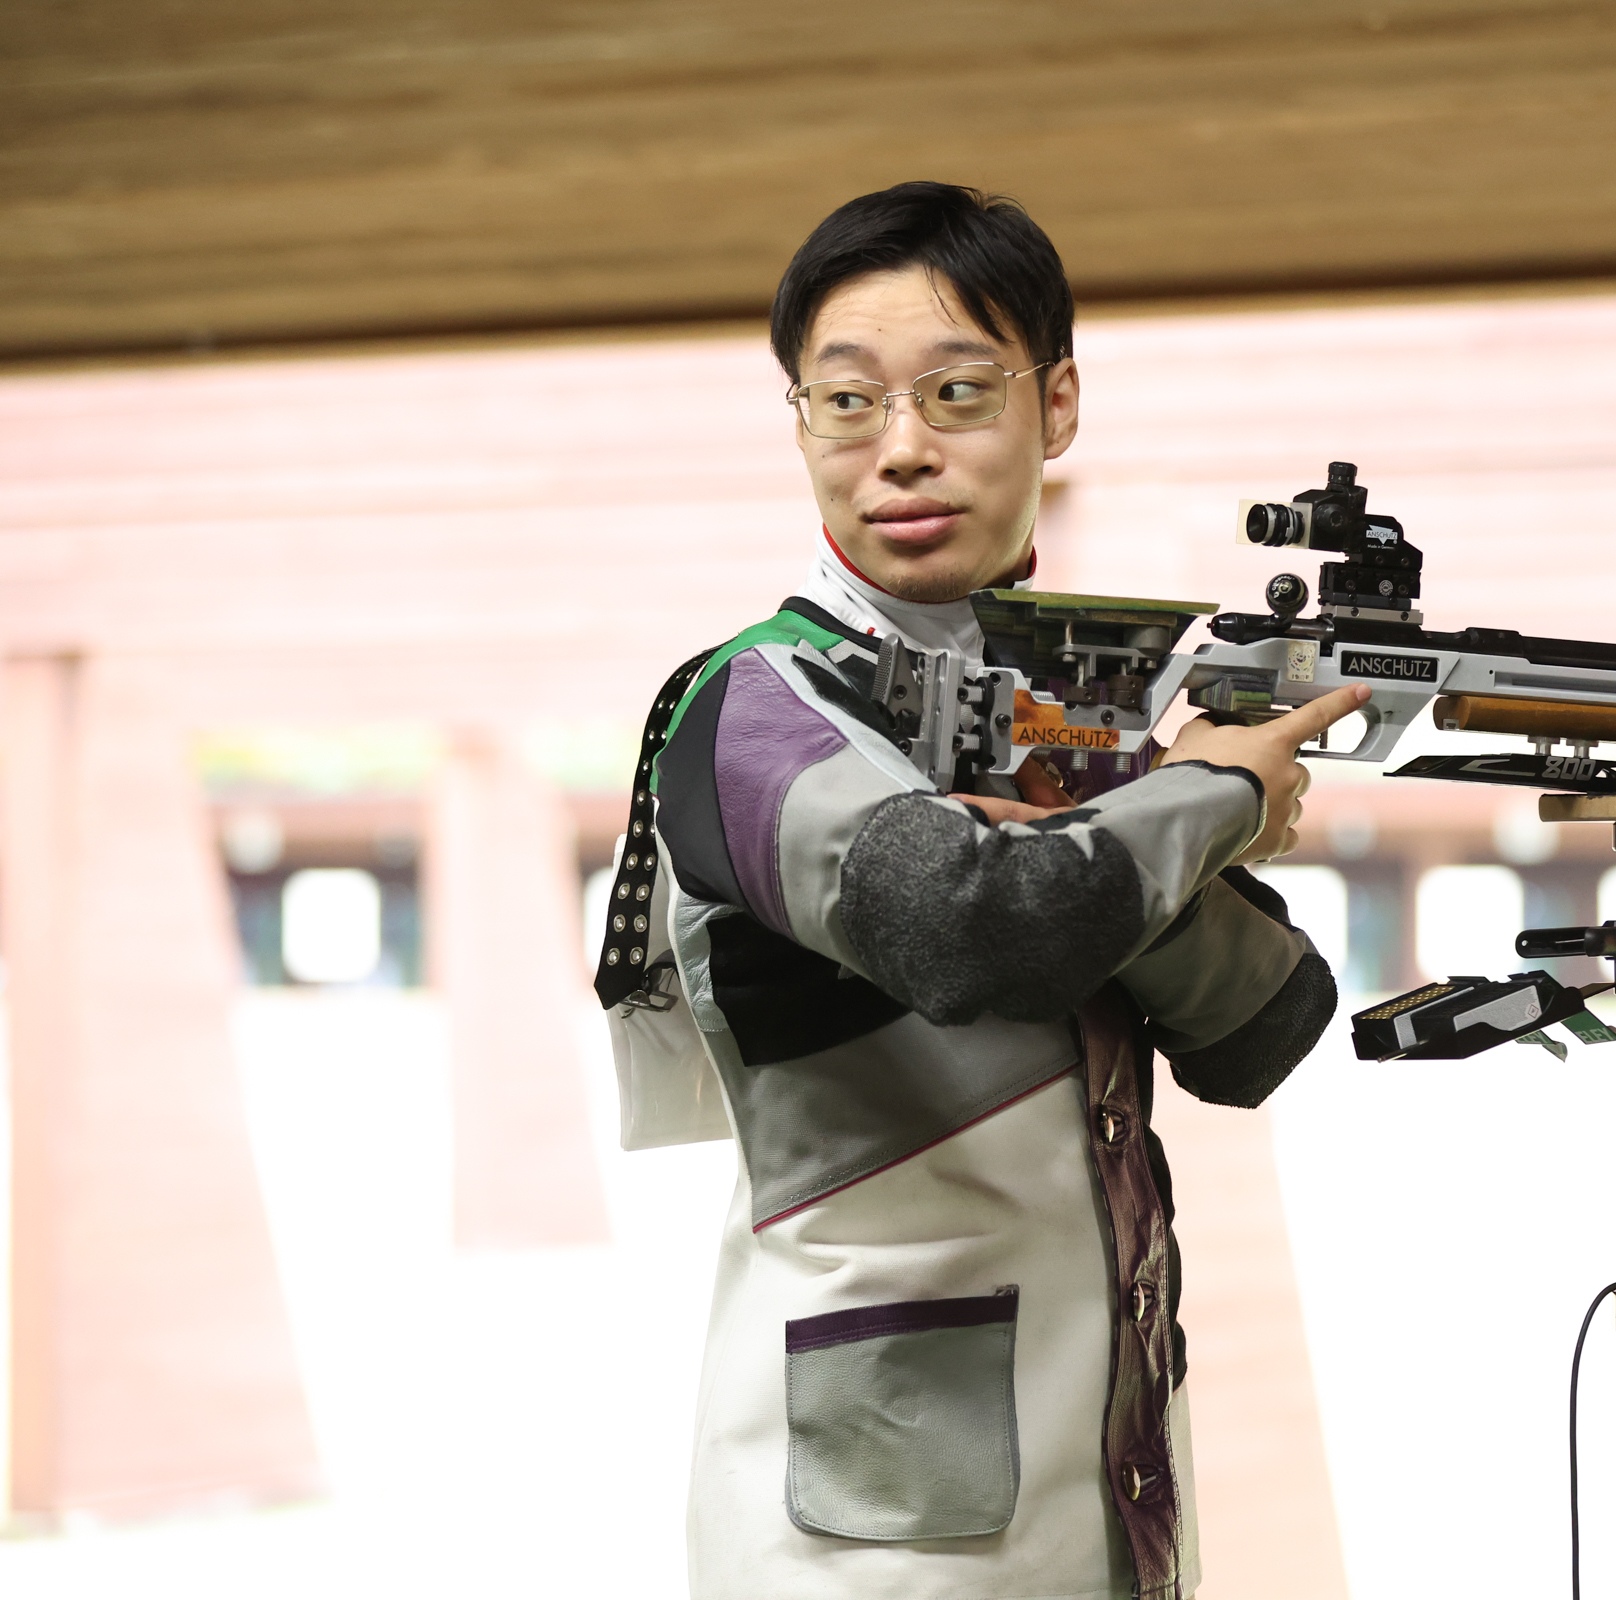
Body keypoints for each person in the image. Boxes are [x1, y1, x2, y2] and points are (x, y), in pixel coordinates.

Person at [623, 181, 1360, 1600]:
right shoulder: (750, 709)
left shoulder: (1059, 717)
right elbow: (971, 931)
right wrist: (1210, 796)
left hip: (1111, 1486)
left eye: (958, 392)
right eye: (847, 403)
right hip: (870, 1528)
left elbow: (1262, 1029)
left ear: (1056, 405)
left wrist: (1108, 817)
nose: (901, 449)